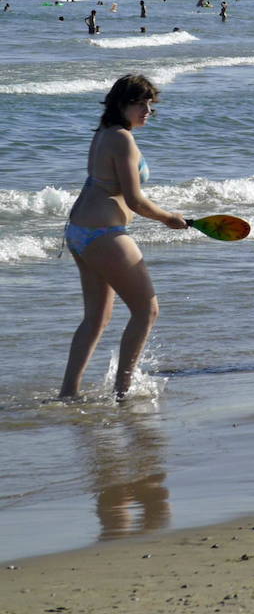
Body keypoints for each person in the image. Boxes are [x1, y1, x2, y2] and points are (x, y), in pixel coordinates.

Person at [61, 75, 188, 398]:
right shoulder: (122, 139)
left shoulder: (106, 133)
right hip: (104, 234)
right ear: (121, 104)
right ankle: (123, 392)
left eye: (150, 104)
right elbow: (134, 200)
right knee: (147, 310)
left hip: (79, 231)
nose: (147, 110)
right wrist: (168, 218)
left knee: (97, 318)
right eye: (139, 103)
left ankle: (69, 393)